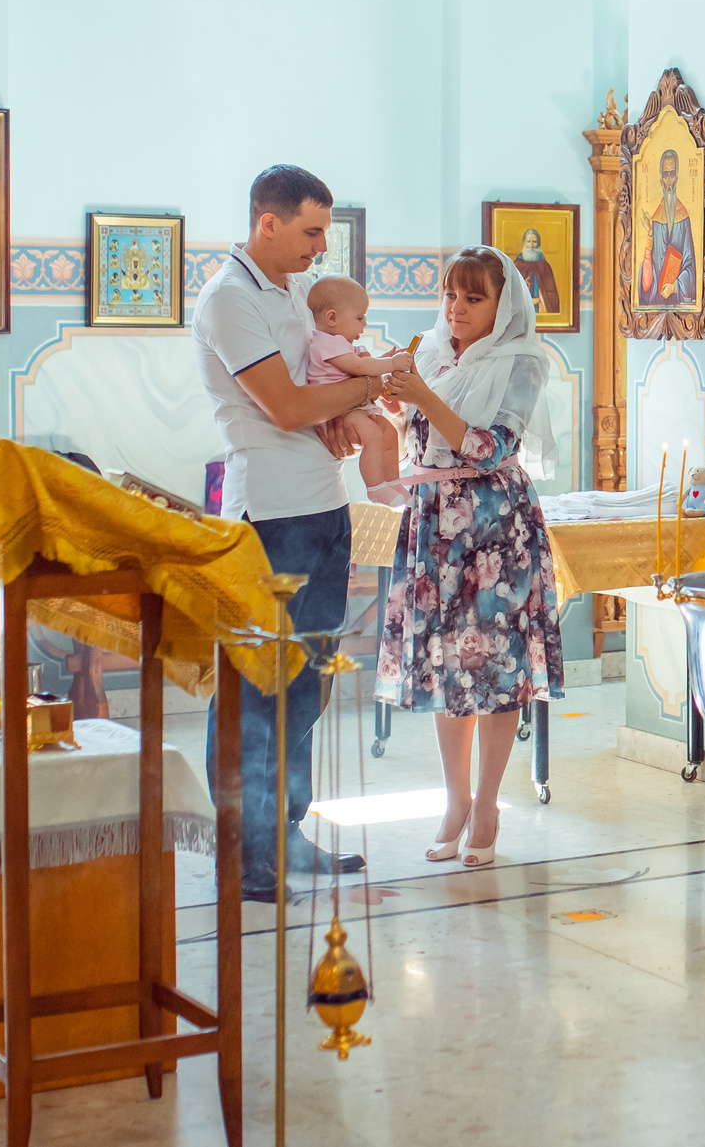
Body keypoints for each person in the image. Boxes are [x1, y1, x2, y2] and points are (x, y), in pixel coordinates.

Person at [193, 165, 394, 900]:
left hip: (319, 505)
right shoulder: (229, 299)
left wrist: (340, 410)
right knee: (256, 687)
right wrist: (371, 386)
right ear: (267, 222)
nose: (321, 247)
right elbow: (282, 405)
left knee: (305, 683)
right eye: (312, 231)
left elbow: (316, 396)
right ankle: (242, 851)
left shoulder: (285, 294)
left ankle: (286, 831)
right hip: (268, 515)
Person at [380, 246, 566, 871]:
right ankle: (454, 803)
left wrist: (423, 398)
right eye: (450, 295)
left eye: (473, 298)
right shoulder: (430, 354)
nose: (456, 309)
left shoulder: (524, 363)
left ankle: (487, 804)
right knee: (447, 663)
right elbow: (423, 434)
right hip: (434, 519)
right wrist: (396, 405)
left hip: (494, 524)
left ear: (502, 306)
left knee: (498, 665)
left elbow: (490, 445)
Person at [303, 274, 414, 506]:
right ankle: (375, 488)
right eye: (360, 318)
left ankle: (393, 482)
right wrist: (392, 363)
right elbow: (360, 367)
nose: (364, 325)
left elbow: (365, 369)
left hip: (357, 406)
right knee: (373, 436)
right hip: (341, 410)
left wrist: (382, 362)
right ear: (332, 318)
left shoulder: (345, 345)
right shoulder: (325, 342)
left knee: (389, 433)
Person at [639, 150, 697, 306]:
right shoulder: (655, 220)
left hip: (677, 298)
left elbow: (690, 264)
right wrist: (650, 234)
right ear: (661, 180)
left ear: (677, 178)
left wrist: (675, 286)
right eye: (665, 175)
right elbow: (649, 265)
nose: (669, 180)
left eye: (672, 174)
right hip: (657, 300)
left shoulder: (684, 218)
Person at [510, 227, 564, 318]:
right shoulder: (517, 265)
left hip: (541, 308)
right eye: (528, 241)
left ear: (538, 244)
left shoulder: (544, 266)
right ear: (524, 243)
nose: (531, 245)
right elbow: (512, 291)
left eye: (534, 242)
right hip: (523, 309)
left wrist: (540, 299)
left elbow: (551, 292)